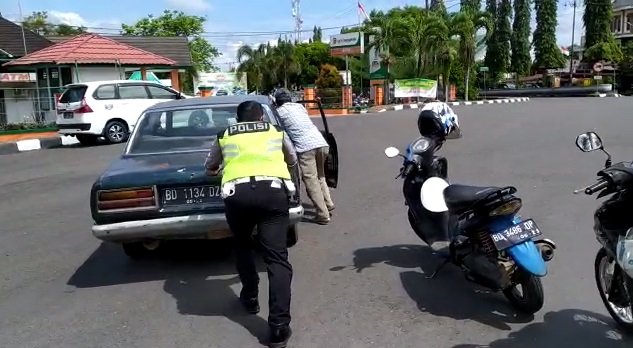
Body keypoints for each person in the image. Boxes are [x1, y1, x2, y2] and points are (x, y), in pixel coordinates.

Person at [204, 100, 296, 348]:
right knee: (277, 259)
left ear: (238, 119)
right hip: (273, 194)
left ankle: (250, 297)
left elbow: (210, 166)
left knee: (242, 244)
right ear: (261, 117)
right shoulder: (275, 131)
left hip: (238, 195)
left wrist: (219, 169)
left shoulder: (225, 134)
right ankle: (278, 327)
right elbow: (292, 158)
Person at [273, 88, 335, 225]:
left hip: (306, 148)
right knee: (320, 176)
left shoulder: (278, 112)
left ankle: (323, 215)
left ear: (277, 102)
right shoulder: (299, 107)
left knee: (311, 181)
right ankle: (328, 203)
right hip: (322, 143)